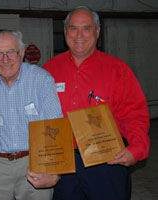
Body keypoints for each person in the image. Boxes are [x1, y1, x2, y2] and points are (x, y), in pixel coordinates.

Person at [43, 6, 150, 200]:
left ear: (97, 32)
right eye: (73, 28)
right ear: (65, 31)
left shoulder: (117, 69)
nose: (79, 35)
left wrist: (137, 147)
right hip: (63, 161)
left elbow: (133, 113)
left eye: (87, 28)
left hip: (106, 162)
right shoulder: (49, 69)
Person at [0, 30, 63, 200]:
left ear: (22, 53)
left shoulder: (41, 80)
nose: (5, 59)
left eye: (11, 52)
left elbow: (56, 128)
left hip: (35, 161)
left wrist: (55, 171)